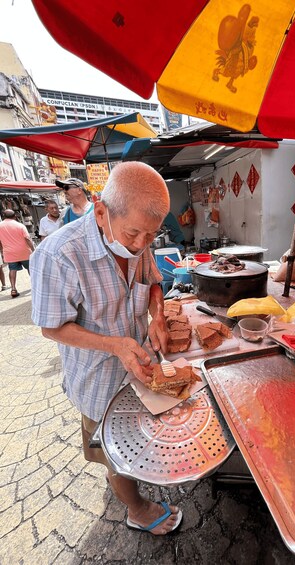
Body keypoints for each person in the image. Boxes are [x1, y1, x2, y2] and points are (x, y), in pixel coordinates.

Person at [30, 162, 182, 535]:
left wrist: (158, 316)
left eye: (150, 236)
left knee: (138, 435)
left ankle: (135, 481)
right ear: (100, 211)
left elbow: (153, 281)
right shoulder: (58, 254)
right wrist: (113, 346)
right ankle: (137, 510)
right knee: (113, 452)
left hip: (139, 368)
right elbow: (52, 327)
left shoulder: (137, 240)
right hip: (97, 379)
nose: (140, 244)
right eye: (133, 233)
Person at [0, 209, 34, 298]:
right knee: (30, 269)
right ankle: (35, 286)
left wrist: (2, 250)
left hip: (9, 252)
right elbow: (27, 238)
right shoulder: (20, 225)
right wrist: (33, 250)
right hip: (24, 252)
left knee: (12, 270)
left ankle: (13, 289)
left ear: (3, 216)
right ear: (15, 216)